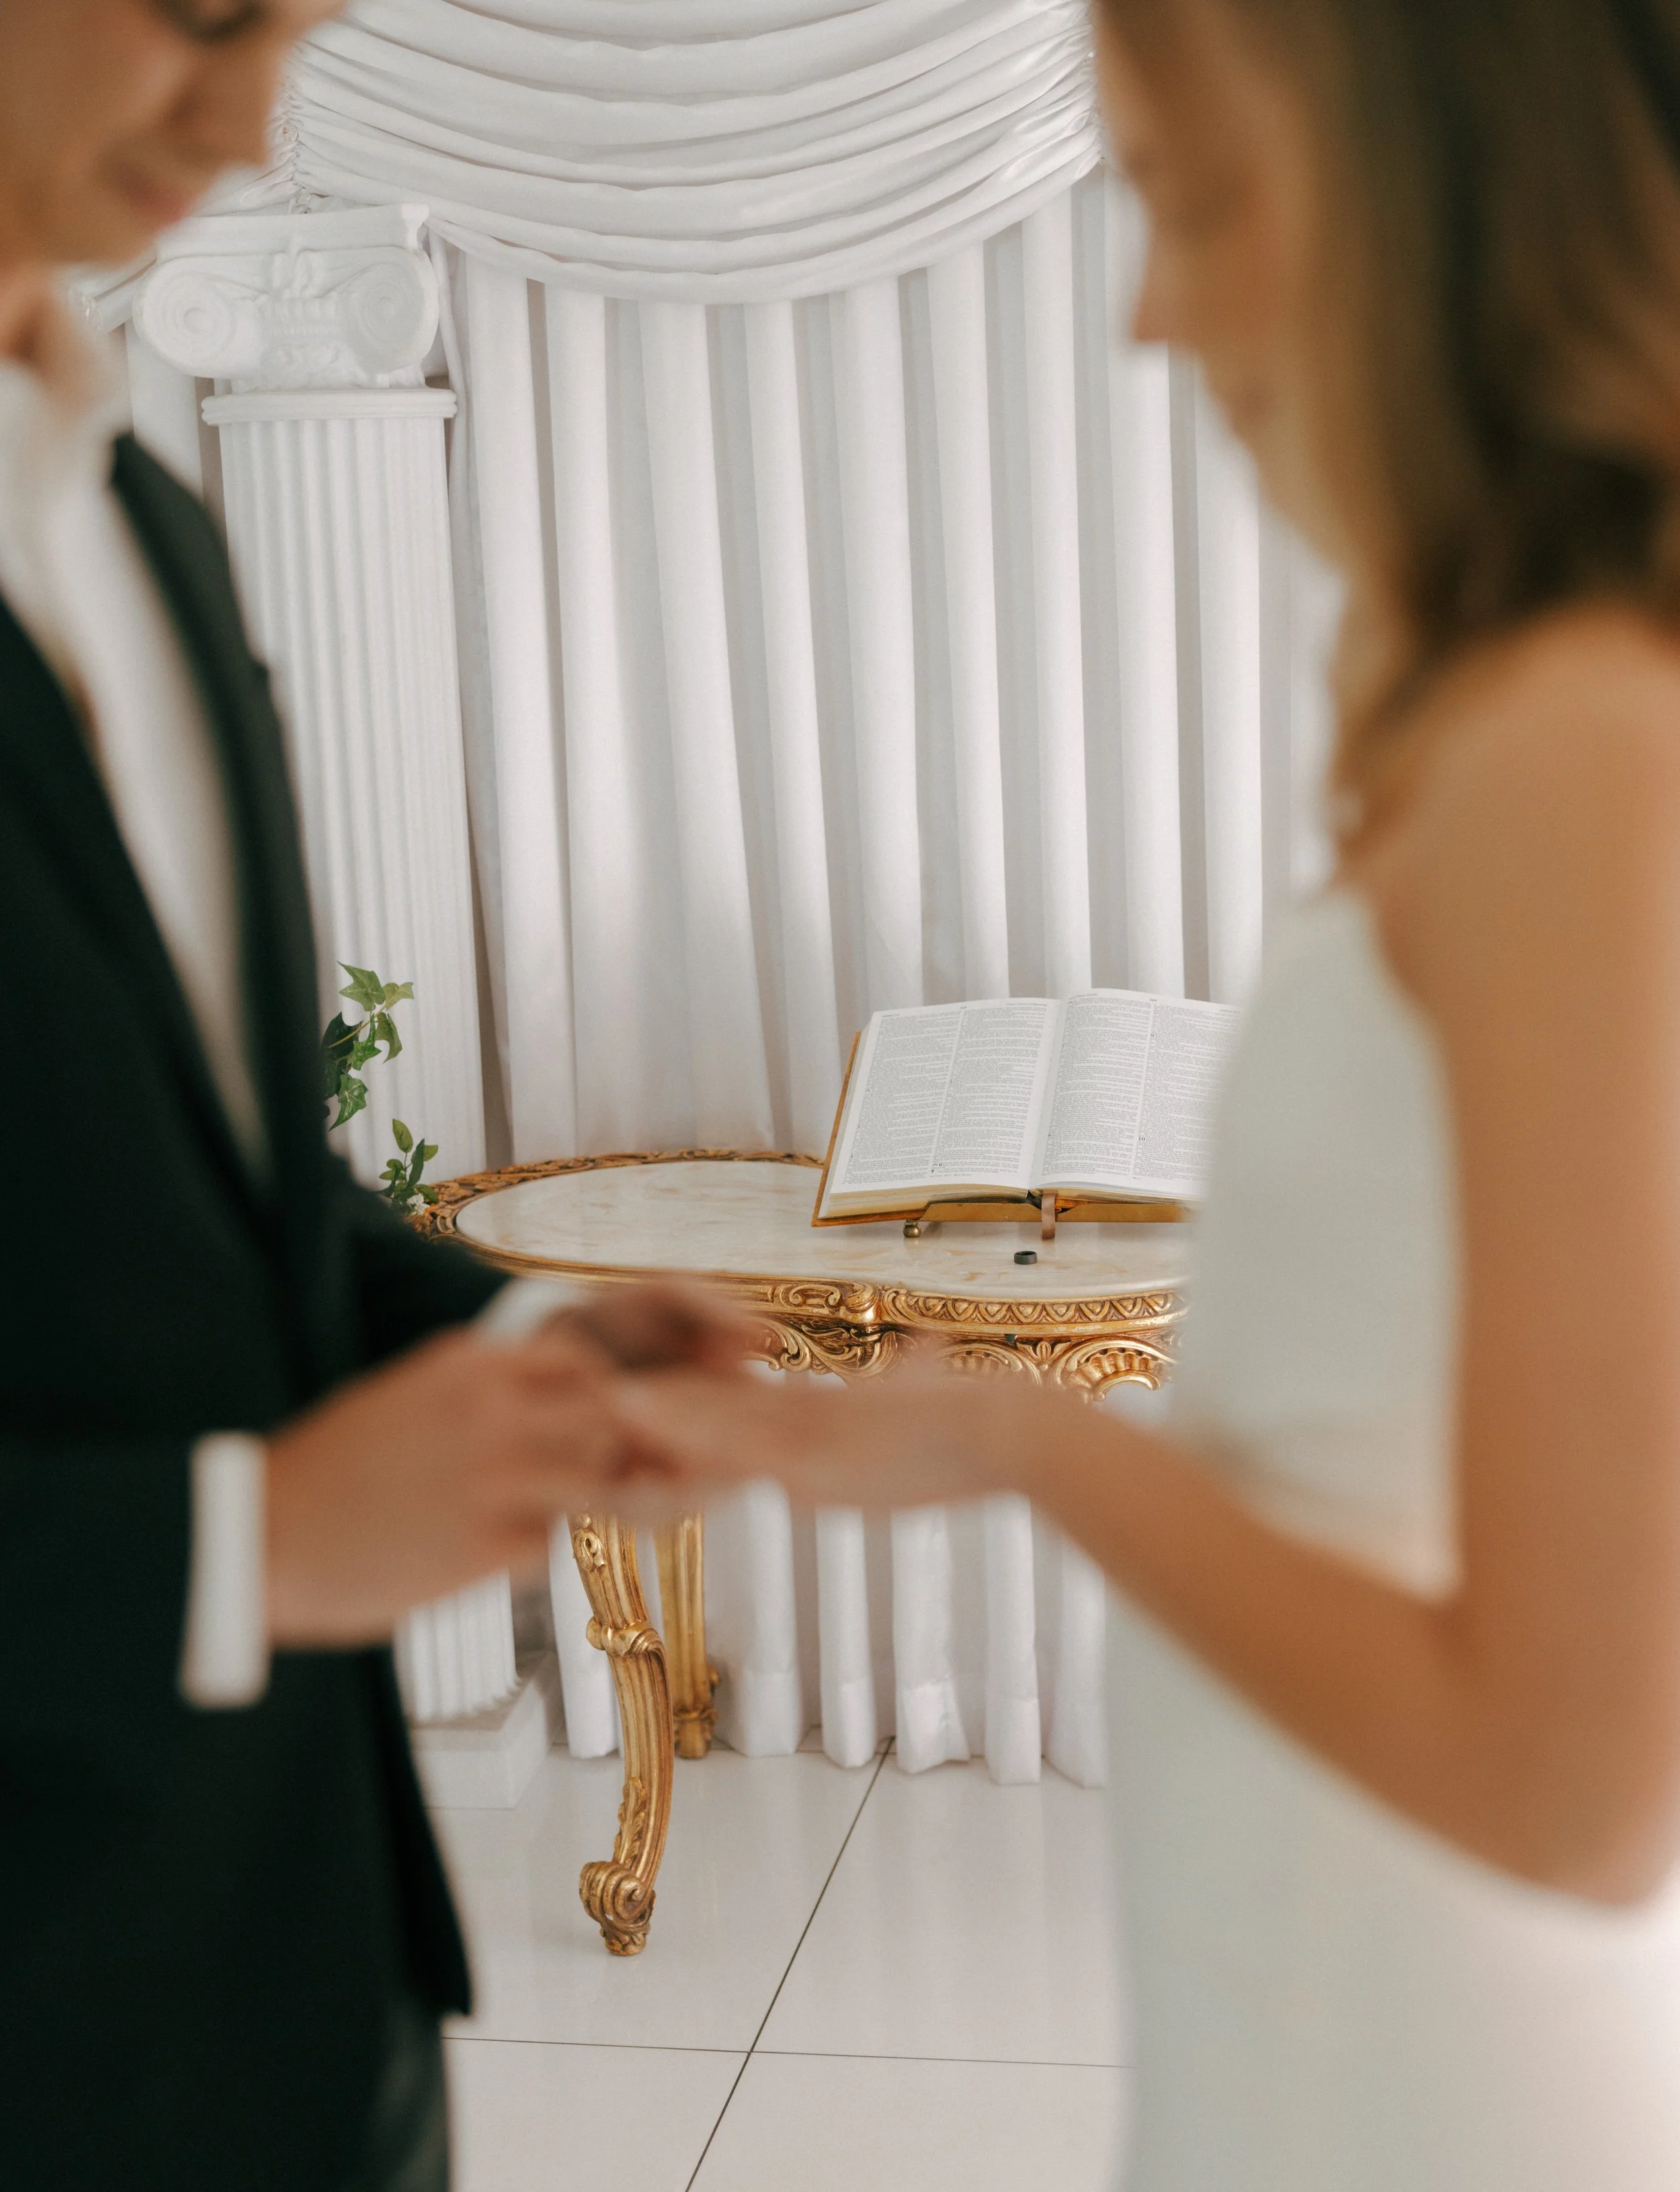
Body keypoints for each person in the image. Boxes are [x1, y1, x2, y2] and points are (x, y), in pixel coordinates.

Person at [614, 1, 1680, 2184]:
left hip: (1416, 2046)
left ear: (1432, 206)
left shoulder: (1577, 750)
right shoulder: (1495, 709)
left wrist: (1027, 1441)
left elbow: (1581, 1784)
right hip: (1309, 1979)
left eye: (1189, 201)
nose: (1144, 309)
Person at [0, 5, 738, 2187]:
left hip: (300, 1979)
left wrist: (523, 1343)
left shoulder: (141, 518)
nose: (249, 116)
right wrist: (256, 1544)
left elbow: (217, 1197)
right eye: (202, 17)